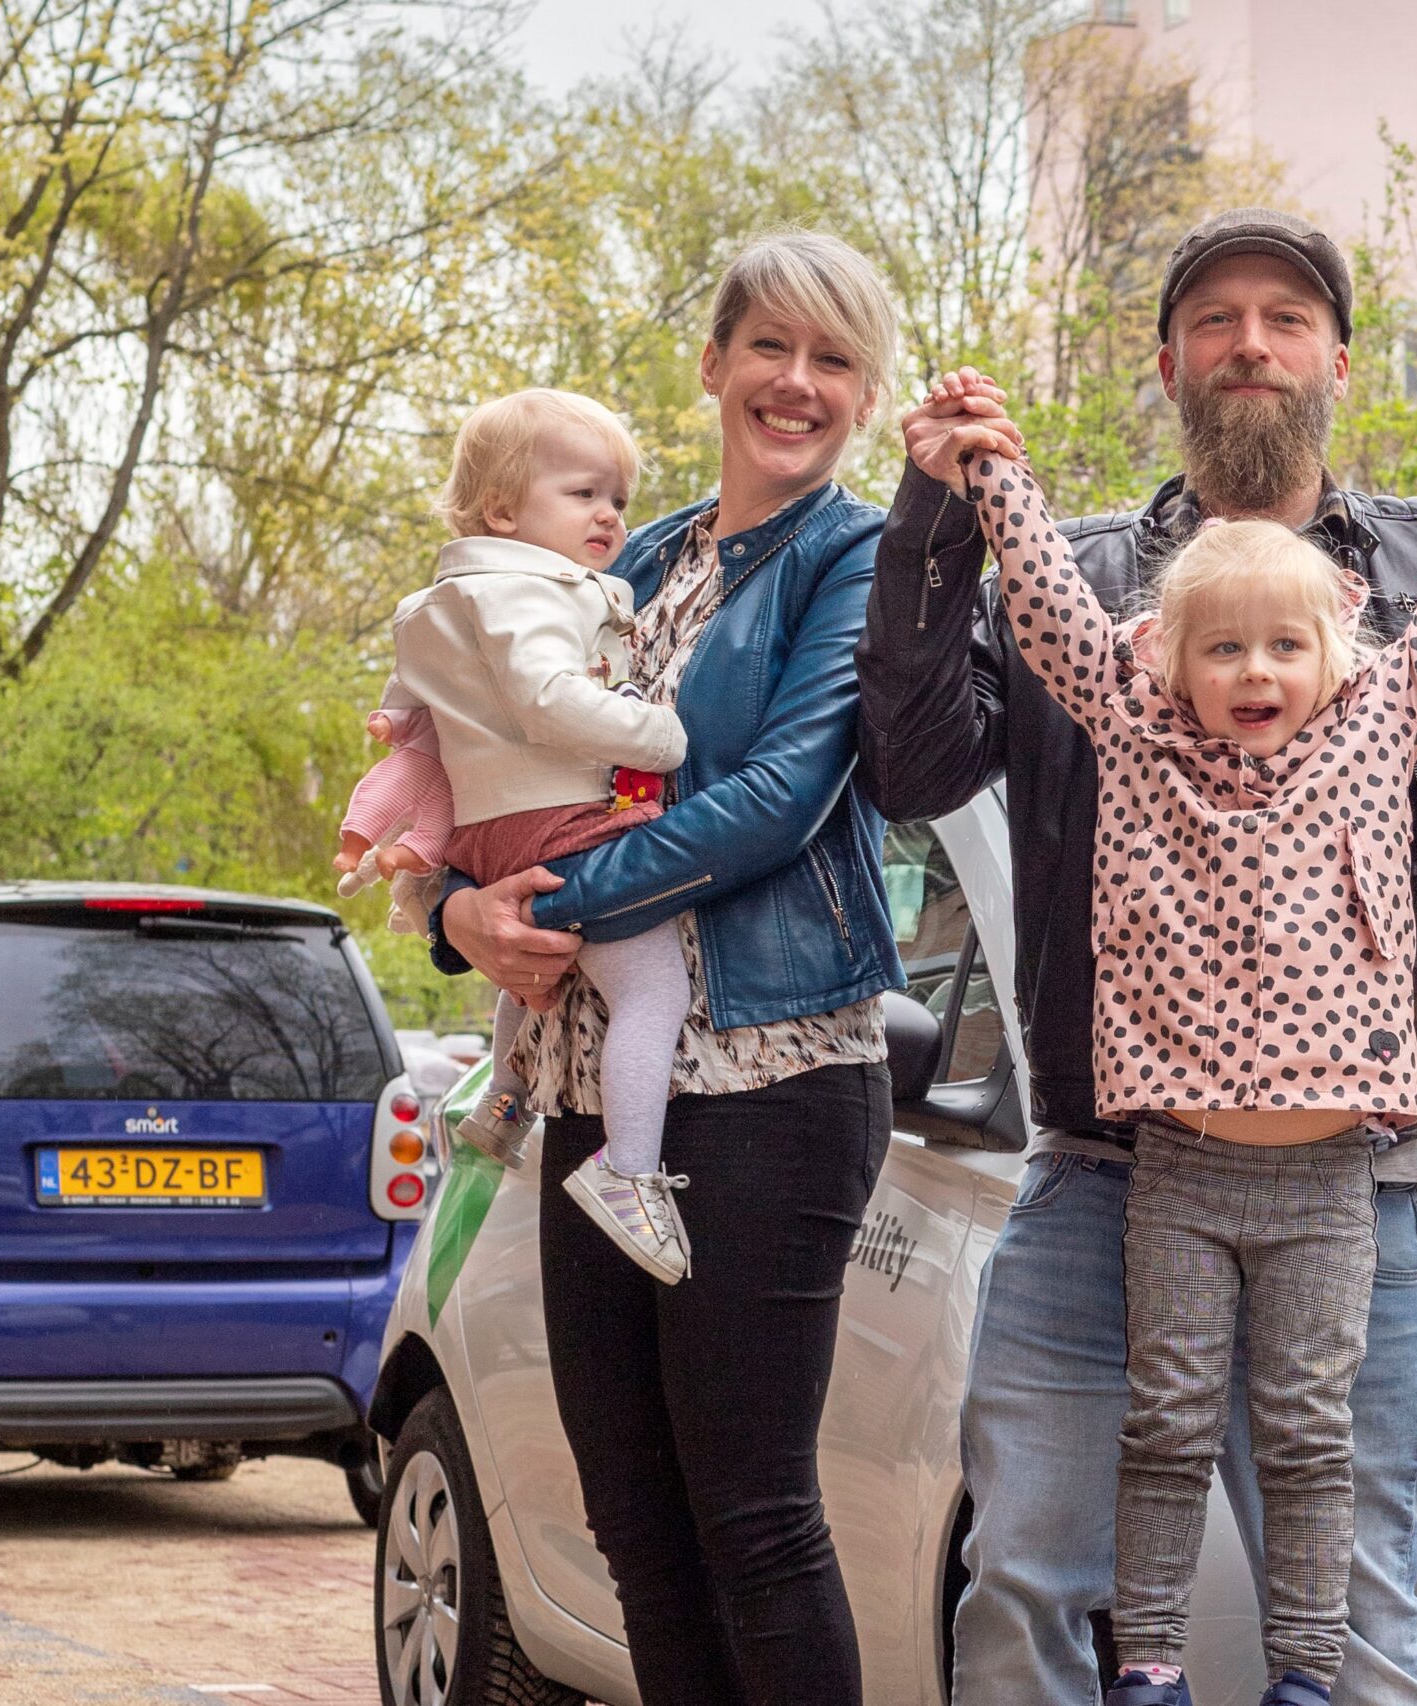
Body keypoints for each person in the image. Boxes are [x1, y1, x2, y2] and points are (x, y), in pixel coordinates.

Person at [858, 207, 1417, 1705]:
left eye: (1286, 317)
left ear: (1337, 359)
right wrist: (941, 514)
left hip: (1353, 1179)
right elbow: (916, 761)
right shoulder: (1080, 590)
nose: (1251, 342)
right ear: (1172, 362)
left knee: (1361, 1603)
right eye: (1216, 319)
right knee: (1026, 1584)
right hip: (1099, 1168)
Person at [923, 358, 1417, 1706]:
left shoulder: (1380, 718)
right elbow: (1051, 601)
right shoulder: (1130, 722)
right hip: (1169, 1162)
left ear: (1334, 649)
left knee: (1313, 1448)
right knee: (1162, 1431)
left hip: (1338, 1173)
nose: (1256, 671)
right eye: (1222, 647)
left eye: (1284, 645)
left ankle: (1300, 1672)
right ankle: (1152, 1665)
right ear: (1168, 656)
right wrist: (990, 470)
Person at [426, 230, 902, 1706]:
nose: (797, 383)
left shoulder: (857, 556)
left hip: (772, 1077)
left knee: (753, 1521)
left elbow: (779, 794)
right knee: (634, 1519)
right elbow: (486, 759)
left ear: (863, 392)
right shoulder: (616, 554)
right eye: (772, 346)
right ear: (713, 365)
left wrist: (551, 899)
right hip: (594, 1088)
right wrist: (460, 912)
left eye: (834, 360)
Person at [338, 389, 696, 1281]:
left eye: (617, 496)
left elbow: (404, 723)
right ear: (503, 509)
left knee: (530, 968)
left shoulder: (437, 604)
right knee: (652, 992)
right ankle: (629, 1171)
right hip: (564, 813)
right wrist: (656, 735)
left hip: (484, 834)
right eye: (583, 495)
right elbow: (548, 698)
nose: (610, 515)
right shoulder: (530, 593)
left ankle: (502, 1099)